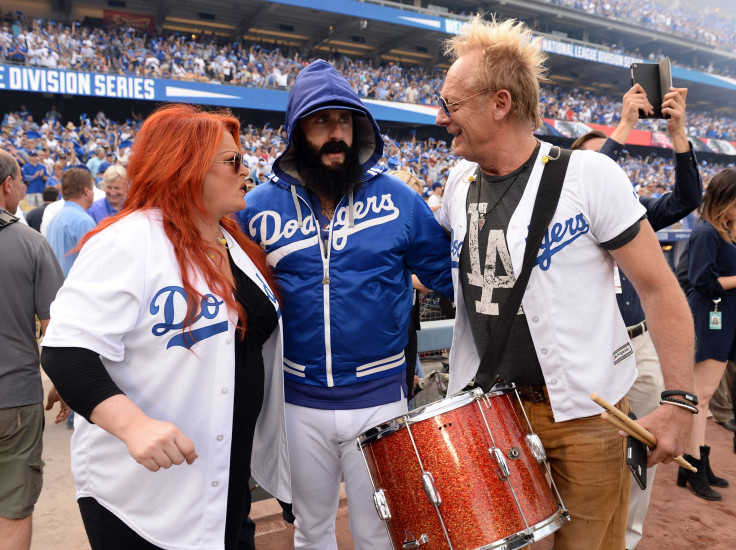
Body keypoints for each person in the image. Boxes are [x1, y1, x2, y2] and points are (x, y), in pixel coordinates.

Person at [436, 16, 694, 550]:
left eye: (452, 104)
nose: (441, 118)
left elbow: (659, 288)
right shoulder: (457, 183)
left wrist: (680, 402)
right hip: (492, 414)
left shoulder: (589, 176)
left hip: (587, 418)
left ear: (500, 103)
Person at [41, 104, 290, 549]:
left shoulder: (230, 240)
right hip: (142, 500)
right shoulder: (128, 242)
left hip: (223, 484)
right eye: (232, 160)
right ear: (187, 168)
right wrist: (133, 424)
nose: (244, 169)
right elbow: (66, 351)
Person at [237, 59, 452, 550]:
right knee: (310, 530)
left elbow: (452, 278)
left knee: (379, 532)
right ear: (297, 131)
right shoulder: (258, 208)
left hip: (380, 396)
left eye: (345, 121)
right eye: (321, 121)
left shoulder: (399, 199)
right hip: (296, 399)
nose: (336, 134)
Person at [570, 84, 702, 549]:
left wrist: (678, 133)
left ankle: (625, 539)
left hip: (639, 342)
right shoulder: (563, 213)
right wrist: (623, 125)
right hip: (589, 350)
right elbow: (587, 177)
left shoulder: (630, 213)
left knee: (639, 449)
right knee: (583, 451)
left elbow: (687, 199)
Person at [0, 149, 68, 550]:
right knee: (13, 512)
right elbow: (55, 327)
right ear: (8, 185)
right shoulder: (30, 242)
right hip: (15, 401)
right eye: (21, 181)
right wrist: (61, 383)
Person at [678, 168, 736, 501]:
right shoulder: (706, 232)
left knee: (703, 396)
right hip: (710, 316)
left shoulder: (723, 230)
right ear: (724, 199)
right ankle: (691, 466)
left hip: (723, 317)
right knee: (700, 398)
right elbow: (702, 281)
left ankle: (698, 462)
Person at [46, 167, 96, 277]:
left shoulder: (55, 219)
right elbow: (93, 264)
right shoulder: (83, 221)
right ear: (86, 191)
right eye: (92, 189)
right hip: (76, 287)